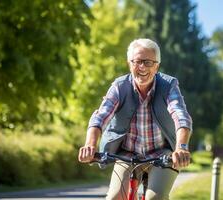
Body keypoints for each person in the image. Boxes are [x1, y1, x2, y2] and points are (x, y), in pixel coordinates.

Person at [78, 38, 193, 200]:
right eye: (138, 61)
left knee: (155, 198)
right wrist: (90, 145)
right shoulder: (119, 86)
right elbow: (100, 117)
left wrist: (181, 147)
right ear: (129, 63)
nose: (142, 67)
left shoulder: (169, 85)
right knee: (115, 197)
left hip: (162, 154)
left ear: (157, 66)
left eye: (148, 62)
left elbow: (181, 116)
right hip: (127, 154)